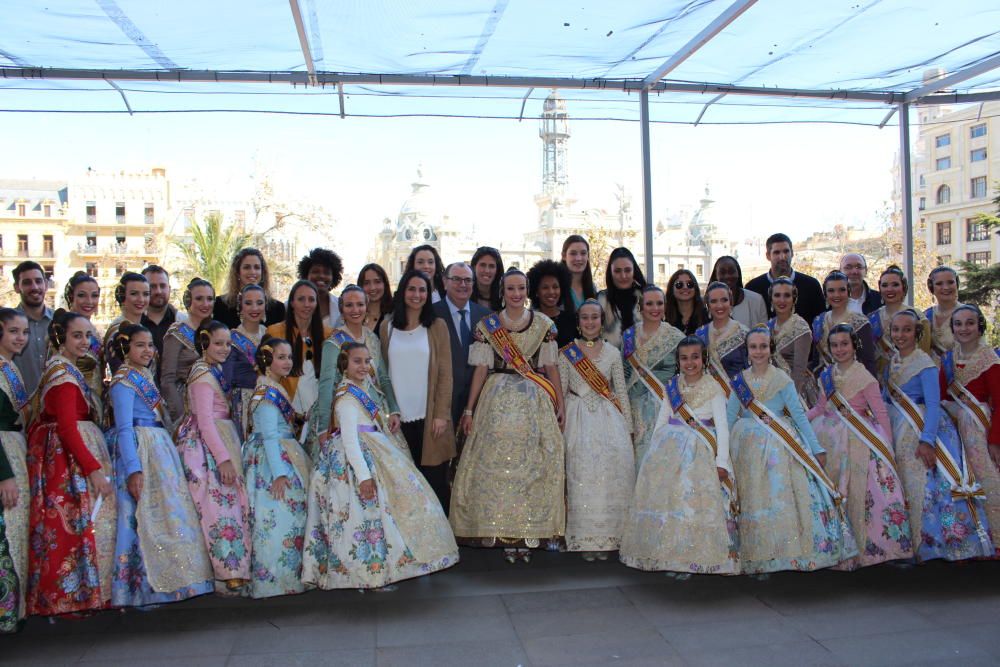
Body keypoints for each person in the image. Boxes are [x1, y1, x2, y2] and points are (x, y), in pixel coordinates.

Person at [301, 342, 459, 590]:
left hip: (374, 450)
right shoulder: (346, 398)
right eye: (357, 361)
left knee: (381, 516)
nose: (364, 366)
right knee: (365, 519)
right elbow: (350, 441)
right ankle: (367, 574)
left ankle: (381, 569)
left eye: (367, 361)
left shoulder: (358, 389)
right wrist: (363, 477)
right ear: (345, 364)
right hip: (359, 463)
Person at [451, 268, 566, 564]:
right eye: (511, 289)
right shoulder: (487, 325)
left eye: (521, 288)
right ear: (503, 291)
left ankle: (527, 534)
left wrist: (560, 403)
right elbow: (480, 369)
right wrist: (469, 408)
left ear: (528, 291)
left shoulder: (543, 325)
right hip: (496, 397)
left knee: (532, 467)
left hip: (534, 398)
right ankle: (503, 534)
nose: (517, 294)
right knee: (496, 467)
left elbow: (551, 368)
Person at [726, 326, 857, 574]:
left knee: (781, 498)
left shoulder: (782, 379)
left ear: (771, 349)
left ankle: (784, 555)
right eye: (753, 347)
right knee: (753, 499)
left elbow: (798, 414)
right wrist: (722, 452)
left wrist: (815, 447)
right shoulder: (739, 382)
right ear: (747, 351)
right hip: (746, 449)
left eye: (763, 346)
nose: (758, 351)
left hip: (779, 446)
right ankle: (757, 557)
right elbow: (730, 416)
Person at [107, 324, 213, 607]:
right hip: (143, 451)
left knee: (170, 516)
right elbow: (124, 428)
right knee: (144, 519)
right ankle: (145, 589)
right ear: (125, 349)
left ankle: (179, 582)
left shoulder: (143, 376)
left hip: (159, 448)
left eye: (150, 345)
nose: (147, 351)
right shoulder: (123, 381)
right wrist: (133, 469)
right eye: (139, 345)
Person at [619, 336, 738, 576]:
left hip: (699, 453)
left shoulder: (714, 387)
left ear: (703, 359)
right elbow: (662, 420)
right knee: (669, 504)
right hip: (669, 451)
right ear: (678, 361)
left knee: (691, 503)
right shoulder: (672, 386)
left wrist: (722, 461)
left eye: (695, 357)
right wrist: (652, 455)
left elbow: (723, 427)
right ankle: (670, 556)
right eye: (684, 358)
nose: (690, 362)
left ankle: (692, 558)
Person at [884, 309, 993, 562]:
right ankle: (906, 544)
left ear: (917, 333)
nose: (901, 335)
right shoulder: (893, 361)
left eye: (907, 330)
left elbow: (934, 404)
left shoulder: (925, 364)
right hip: (898, 427)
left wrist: (927, 440)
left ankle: (937, 544)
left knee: (927, 488)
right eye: (896, 330)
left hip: (922, 430)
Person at [26, 309, 116, 615]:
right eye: (77, 335)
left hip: (67, 456)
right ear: (60, 338)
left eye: (88, 335)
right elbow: (67, 427)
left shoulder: (65, 369)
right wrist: (93, 470)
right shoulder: (63, 377)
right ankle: (70, 597)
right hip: (67, 463)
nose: (84, 341)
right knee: (72, 529)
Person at [807, 324, 912, 570]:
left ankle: (876, 551)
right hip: (829, 437)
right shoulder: (826, 375)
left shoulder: (864, 376)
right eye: (834, 345)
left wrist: (887, 448)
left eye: (845, 344)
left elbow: (881, 413)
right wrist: (800, 420)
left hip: (860, 439)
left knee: (868, 494)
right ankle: (838, 549)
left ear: (854, 346)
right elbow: (821, 408)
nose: (840, 349)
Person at [174, 320, 251, 592]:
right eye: (218, 343)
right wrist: (223, 459)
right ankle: (225, 571)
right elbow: (205, 422)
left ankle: (231, 570)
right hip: (207, 449)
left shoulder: (212, 370)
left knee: (226, 507)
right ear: (204, 342)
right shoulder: (203, 375)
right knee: (218, 509)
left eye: (228, 344)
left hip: (219, 439)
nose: (224, 349)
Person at [558, 299, 633, 560]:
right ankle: (584, 538)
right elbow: (561, 391)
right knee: (581, 476)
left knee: (607, 476)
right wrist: (561, 423)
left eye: (595, 318)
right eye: (585, 318)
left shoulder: (612, 352)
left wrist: (629, 427)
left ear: (602, 322)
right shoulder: (567, 352)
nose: (590, 322)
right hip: (577, 418)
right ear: (578, 323)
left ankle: (607, 537)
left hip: (608, 419)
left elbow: (620, 390)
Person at [379, 270, 455, 509]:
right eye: (412, 289)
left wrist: (442, 414)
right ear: (402, 292)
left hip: (430, 418)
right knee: (403, 485)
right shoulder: (387, 327)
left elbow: (445, 373)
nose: (417, 294)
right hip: (397, 420)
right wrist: (389, 411)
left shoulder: (437, 326)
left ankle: (441, 542)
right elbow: (383, 374)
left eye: (423, 289)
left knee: (434, 484)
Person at [243, 338, 311, 598]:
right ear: (266, 361)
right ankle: (275, 580)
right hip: (272, 462)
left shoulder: (273, 388)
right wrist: (280, 474)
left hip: (282, 454)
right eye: (281, 357)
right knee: (276, 519)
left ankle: (287, 576)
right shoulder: (266, 394)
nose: (287, 362)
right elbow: (270, 436)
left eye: (289, 357)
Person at [313, 285, 400, 456]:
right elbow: (326, 385)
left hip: (376, 410)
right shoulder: (333, 343)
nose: (355, 310)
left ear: (366, 307)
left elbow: (382, 377)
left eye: (360, 304)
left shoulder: (372, 338)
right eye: (349, 305)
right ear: (341, 309)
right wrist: (323, 427)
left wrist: (394, 409)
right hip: (346, 413)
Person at [940, 305, 1000, 552]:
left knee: (988, 479)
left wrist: (995, 440)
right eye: (959, 324)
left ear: (979, 327)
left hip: (980, 430)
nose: (964, 329)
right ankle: (972, 539)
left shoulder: (990, 361)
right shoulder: (948, 358)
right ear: (952, 329)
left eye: (970, 323)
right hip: (954, 430)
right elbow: (943, 395)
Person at [622, 285, 684, 469]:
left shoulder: (676, 337)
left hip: (664, 408)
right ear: (640, 307)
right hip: (634, 409)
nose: (655, 308)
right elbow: (624, 373)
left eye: (659, 303)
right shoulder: (628, 336)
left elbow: (683, 375)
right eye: (649, 304)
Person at [0, 309, 31, 629]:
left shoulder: (10, 367)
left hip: (14, 448)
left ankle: (14, 610)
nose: (20, 337)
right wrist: (4, 474)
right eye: (13, 331)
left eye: (24, 331)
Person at [434, 262, 491, 426]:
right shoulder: (430, 315)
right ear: (445, 282)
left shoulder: (486, 317)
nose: (463, 284)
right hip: (442, 405)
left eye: (467, 280)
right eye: (457, 279)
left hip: (478, 403)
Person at [266, 280, 332, 417]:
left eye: (311, 299)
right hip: (285, 410)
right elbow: (266, 376)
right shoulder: (274, 332)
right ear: (291, 303)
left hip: (318, 413)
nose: (307, 304)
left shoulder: (328, 335)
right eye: (301, 299)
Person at [161, 278, 215, 422]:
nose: (205, 304)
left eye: (210, 299)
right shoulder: (177, 332)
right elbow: (168, 380)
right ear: (188, 300)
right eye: (199, 299)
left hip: (214, 404)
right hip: (187, 405)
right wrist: (181, 417)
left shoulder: (216, 331)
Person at [745, 233, 825, 326]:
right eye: (776, 252)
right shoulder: (753, 288)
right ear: (768, 256)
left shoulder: (811, 285)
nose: (782, 257)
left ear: (792, 253)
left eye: (786, 251)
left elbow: (820, 323)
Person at [870, 265, 931, 382]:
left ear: (903, 287)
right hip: (881, 381)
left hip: (911, 380)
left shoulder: (918, 317)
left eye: (895, 285)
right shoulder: (872, 318)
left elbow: (924, 354)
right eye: (885, 285)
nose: (889, 289)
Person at [222, 284, 267, 440]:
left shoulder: (270, 334)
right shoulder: (232, 339)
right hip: (244, 404)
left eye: (259, 303)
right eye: (248, 303)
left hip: (268, 401)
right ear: (240, 307)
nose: (254, 308)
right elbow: (225, 381)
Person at [811, 271, 877, 377]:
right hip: (825, 384)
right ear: (825, 294)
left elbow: (868, 362)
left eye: (842, 290)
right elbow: (816, 360)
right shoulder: (819, 321)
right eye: (831, 291)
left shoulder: (860, 322)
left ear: (848, 292)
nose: (836, 295)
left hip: (854, 383)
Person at [767, 277, 817, 405]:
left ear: (794, 299)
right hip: (771, 389)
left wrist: (789, 403)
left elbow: (799, 370)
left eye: (787, 295)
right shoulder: (768, 326)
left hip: (796, 391)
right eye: (777, 295)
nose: (782, 300)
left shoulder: (801, 328)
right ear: (771, 298)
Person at [696, 282, 748, 396]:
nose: (719, 305)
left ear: (731, 302)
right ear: (707, 305)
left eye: (724, 300)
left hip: (737, 399)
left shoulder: (744, 333)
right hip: (708, 399)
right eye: (714, 301)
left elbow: (752, 371)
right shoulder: (699, 335)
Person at [213, 248, 286, 328]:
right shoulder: (220, 305)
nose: (252, 272)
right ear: (237, 272)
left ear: (262, 273)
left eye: (257, 267)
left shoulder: (278, 309)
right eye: (247, 267)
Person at [11, 261, 53, 394]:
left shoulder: (61, 322)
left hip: (57, 409)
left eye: (38, 281)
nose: (35, 287)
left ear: (45, 285)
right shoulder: (6, 325)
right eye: (27, 282)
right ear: (17, 287)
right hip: (18, 411)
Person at [63, 271, 105, 399]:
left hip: (94, 400)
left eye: (94, 296)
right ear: (71, 297)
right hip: (72, 399)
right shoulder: (62, 328)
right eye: (82, 295)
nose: (89, 301)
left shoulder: (93, 330)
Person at [597, 247, 646, 348]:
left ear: (634, 270)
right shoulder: (602, 299)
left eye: (627, 270)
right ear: (610, 272)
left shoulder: (645, 297)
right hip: (610, 361)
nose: (623, 276)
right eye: (617, 271)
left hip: (645, 360)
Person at [103, 272, 150, 377]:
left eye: (146, 294)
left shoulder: (141, 328)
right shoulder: (118, 330)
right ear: (122, 296)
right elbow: (121, 372)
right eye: (134, 294)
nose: (141, 299)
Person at [526, 259, 575, 348]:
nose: (551, 291)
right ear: (536, 292)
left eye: (555, 287)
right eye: (545, 287)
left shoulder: (572, 320)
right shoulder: (529, 321)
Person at [140, 266, 178, 381]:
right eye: (152, 286)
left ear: (169, 289)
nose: (158, 291)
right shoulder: (133, 325)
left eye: (162, 286)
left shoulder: (182, 323)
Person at [709, 256, 767, 330]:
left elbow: (764, 333)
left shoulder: (757, 300)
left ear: (738, 273)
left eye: (731, 271)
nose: (727, 276)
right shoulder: (708, 304)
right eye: (722, 272)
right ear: (716, 276)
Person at [925, 266, 964, 364]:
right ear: (931, 287)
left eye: (950, 282)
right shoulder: (925, 316)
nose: (946, 287)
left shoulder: (968, 314)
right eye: (939, 284)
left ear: (957, 284)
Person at [298, 248, 344, 328]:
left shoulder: (341, 306)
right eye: (315, 271)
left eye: (326, 272)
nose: (321, 276)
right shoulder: (290, 306)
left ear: (333, 278)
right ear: (306, 276)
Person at [665, 268, 708, 335]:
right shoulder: (664, 317)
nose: (685, 287)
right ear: (671, 289)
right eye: (679, 284)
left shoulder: (706, 316)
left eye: (689, 284)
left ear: (695, 288)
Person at [560, 234, 598, 310]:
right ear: (564, 256)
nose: (578, 258)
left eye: (583, 253)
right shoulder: (555, 287)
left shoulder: (592, 288)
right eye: (573, 253)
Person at [358, 263, 393, 334]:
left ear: (385, 284)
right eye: (366, 283)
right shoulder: (353, 314)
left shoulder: (394, 315)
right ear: (360, 286)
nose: (372, 288)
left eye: (377, 282)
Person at [471, 246, 504, 311]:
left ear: (497, 270)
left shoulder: (504, 297)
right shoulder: (465, 295)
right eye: (482, 265)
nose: (487, 270)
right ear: (474, 267)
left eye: (491, 266)